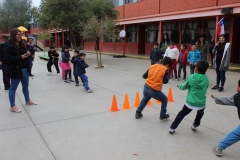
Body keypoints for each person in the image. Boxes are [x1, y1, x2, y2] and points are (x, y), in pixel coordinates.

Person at [169, 61, 209, 133]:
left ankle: (172, 128)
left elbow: (184, 87)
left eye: (195, 66)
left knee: (181, 114)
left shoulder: (191, 77)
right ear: (206, 70)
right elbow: (206, 87)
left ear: (196, 69)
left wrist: (179, 86)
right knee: (200, 114)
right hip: (201, 103)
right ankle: (195, 125)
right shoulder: (206, 78)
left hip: (190, 102)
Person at [4, 28, 37, 113]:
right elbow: (8, 58)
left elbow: (25, 54)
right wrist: (21, 57)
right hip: (15, 70)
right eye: (18, 34)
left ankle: (27, 100)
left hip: (25, 69)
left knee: (25, 86)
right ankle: (13, 106)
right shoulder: (8, 45)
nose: (19, 36)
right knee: (13, 88)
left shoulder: (22, 44)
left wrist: (28, 54)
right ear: (13, 35)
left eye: (20, 34)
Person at [212, 79, 240, 157]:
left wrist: (215, 97)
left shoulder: (238, 97)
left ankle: (219, 147)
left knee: (235, 134)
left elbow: (226, 100)